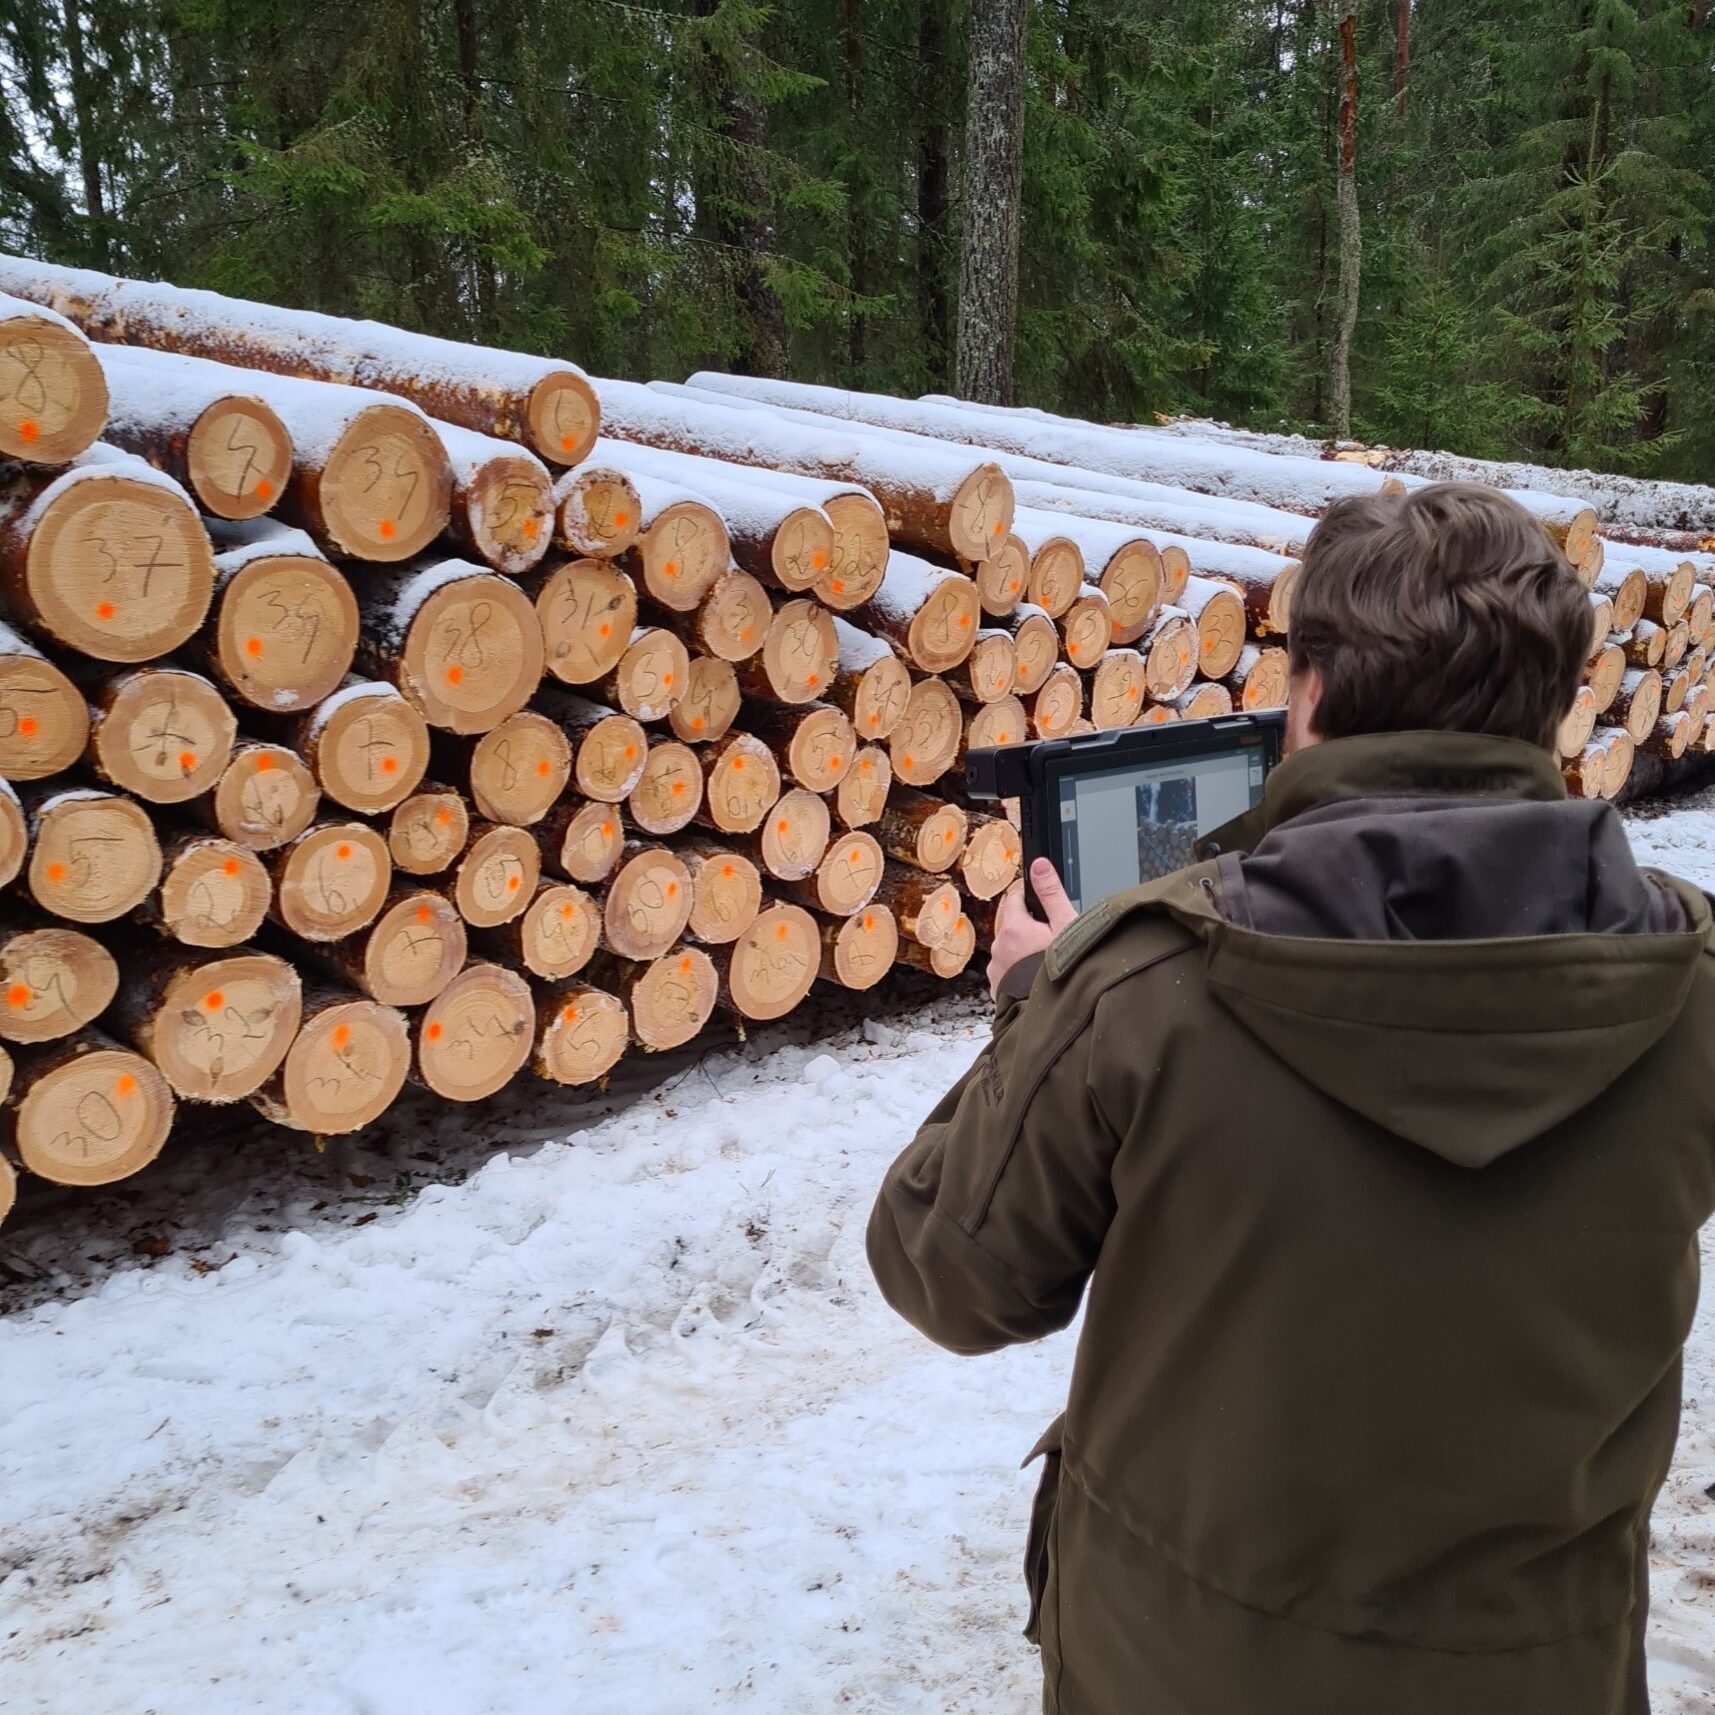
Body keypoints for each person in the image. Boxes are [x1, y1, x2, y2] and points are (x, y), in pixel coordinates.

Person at [866, 482, 1715, 1715]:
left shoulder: (1141, 986)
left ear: (1309, 688)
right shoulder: (1685, 986)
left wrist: (1036, 1002)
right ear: (1555, 698)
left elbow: (943, 1270)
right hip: (1542, 1671)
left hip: (1178, 1670)